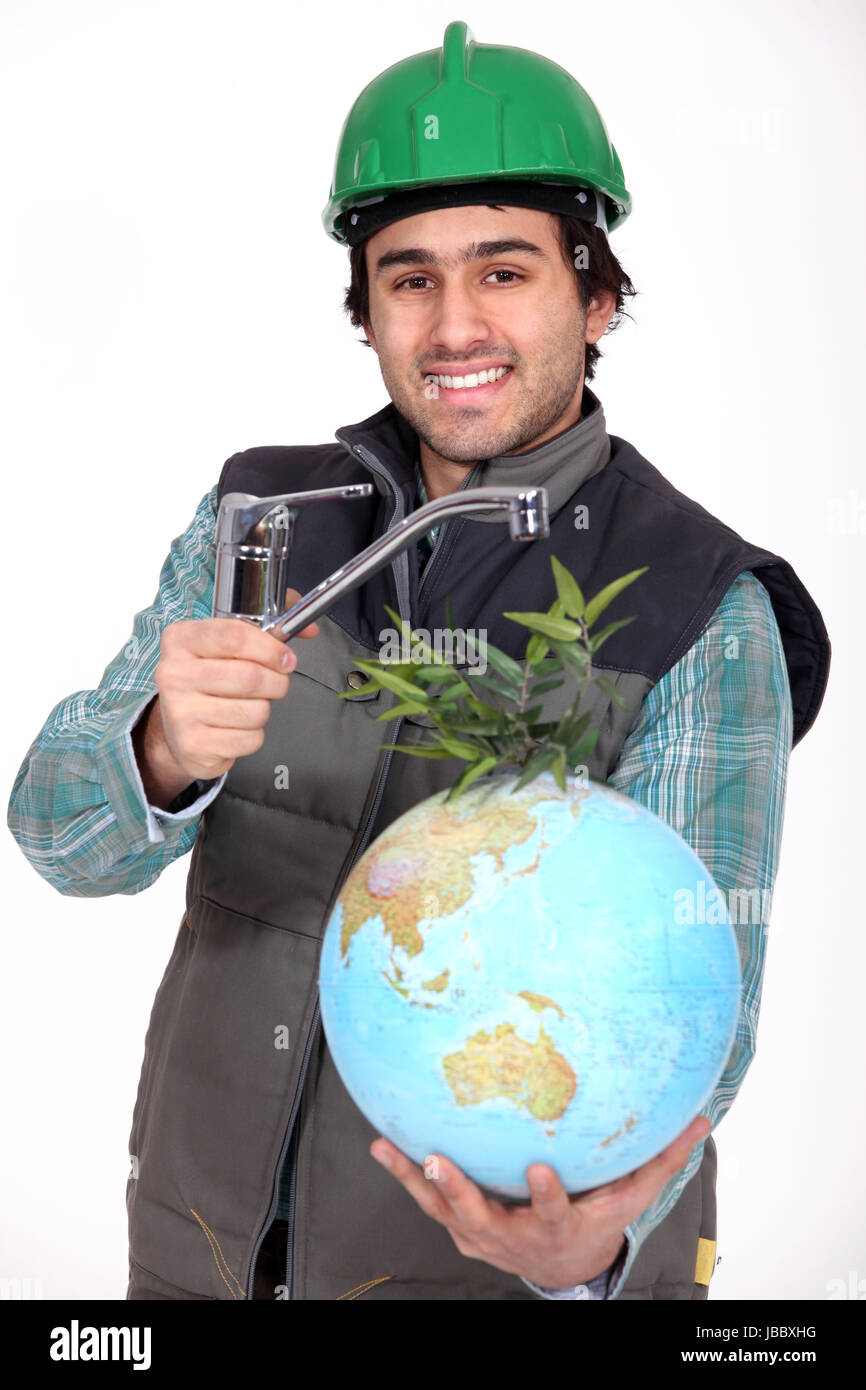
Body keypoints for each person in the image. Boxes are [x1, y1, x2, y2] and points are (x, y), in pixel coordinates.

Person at [8, 21, 829, 1301]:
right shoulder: (260, 527)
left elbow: (697, 1007)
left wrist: (598, 1245)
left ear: (594, 292)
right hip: (198, 1260)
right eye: (408, 278)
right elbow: (59, 837)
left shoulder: (700, 604)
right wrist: (160, 750)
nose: (453, 326)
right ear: (366, 306)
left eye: (503, 272)